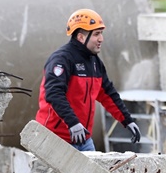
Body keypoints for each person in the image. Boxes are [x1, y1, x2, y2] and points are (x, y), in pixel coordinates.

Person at [36, 9, 140, 151]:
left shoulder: (95, 62)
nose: (101, 39)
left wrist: (127, 120)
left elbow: (108, 94)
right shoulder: (61, 59)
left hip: (83, 139)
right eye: (96, 34)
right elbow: (54, 94)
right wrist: (73, 123)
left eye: (101, 34)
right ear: (80, 37)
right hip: (54, 139)